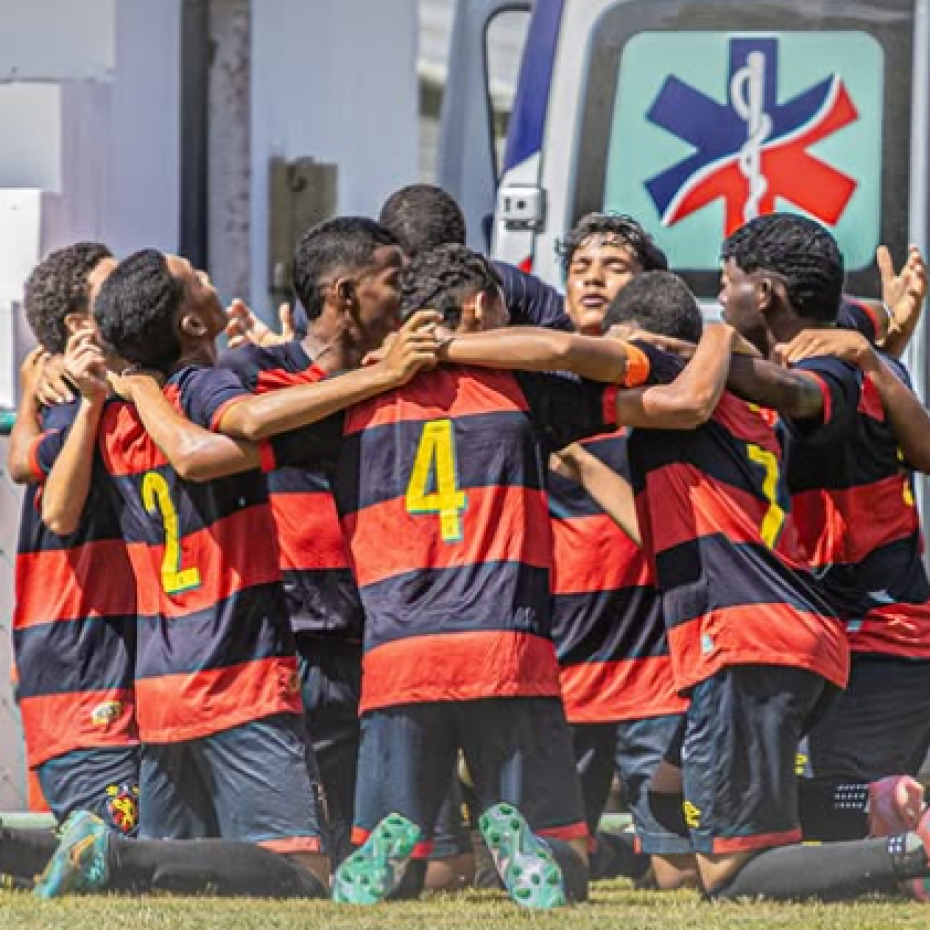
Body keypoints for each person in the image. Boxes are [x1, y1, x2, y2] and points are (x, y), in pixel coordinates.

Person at [31, 246, 438, 900]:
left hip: (161, 687)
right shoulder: (198, 385)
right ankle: (111, 851)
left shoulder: (111, 411)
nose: (209, 277)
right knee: (301, 876)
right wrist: (384, 374)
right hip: (241, 671)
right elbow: (236, 427)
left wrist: (94, 395)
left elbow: (53, 503)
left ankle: (106, 852)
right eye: (196, 278)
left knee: (186, 881)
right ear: (192, 325)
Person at [218, 216, 474, 882]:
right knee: (306, 864)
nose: (407, 295)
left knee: (432, 864)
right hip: (283, 644)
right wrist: (376, 377)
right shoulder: (254, 370)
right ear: (343, 295)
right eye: (394, 280)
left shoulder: (408, 379)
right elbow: (250, 425)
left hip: (384, 636)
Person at [717, 215, 930, 787]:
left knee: (842, 818)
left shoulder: (834, 370)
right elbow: (866, 315)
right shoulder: (845, 334)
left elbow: (798, 392)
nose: (718, 297)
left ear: (763, 294)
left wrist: (698, 354)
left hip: (881, 641)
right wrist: (892, 324)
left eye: (726, 280)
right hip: (833, 639)